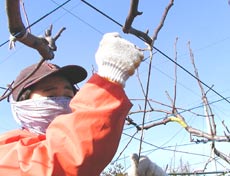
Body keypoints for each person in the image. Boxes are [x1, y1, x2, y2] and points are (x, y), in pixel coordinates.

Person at [0, 32, 144, 176]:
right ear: (22, 104)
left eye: (68, 95)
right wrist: (109, 79)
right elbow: (61, 163)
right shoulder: (6, 150)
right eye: (50, 95)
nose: (62, 102)